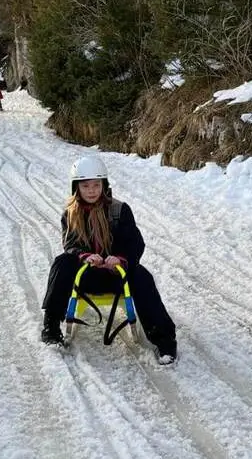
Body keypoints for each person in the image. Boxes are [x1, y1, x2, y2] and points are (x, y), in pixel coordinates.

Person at [40, 155, 177, 365]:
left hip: (117, 275)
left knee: (142, 276)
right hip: (87, 274)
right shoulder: (70, 214)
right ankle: (51, 327)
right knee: (62, 262)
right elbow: (70, 245)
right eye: (86, 186)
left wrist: (120, 258)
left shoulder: (119, 210)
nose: (92, 190)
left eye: (96, 185)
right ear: (76, 187)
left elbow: (135, 243)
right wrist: (85, 256)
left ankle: (165, 341)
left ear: (104, 185)